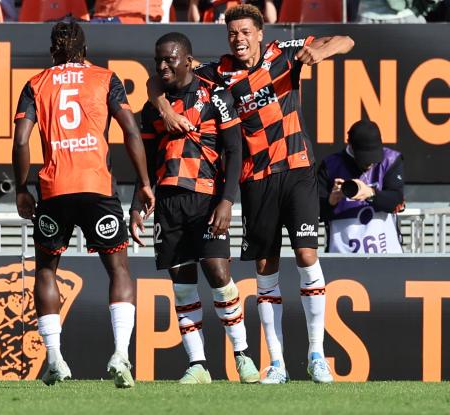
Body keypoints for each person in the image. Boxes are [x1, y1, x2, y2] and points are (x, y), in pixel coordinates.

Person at [149, 4, 354, 384]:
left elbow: (345, 39)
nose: (239, 39)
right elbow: (159, 80)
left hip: (295, 168)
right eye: (233, 33)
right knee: (265, 268)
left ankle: (316, 355)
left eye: (245, 32)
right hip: (253, 178)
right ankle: (276, 363)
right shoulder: (217, 73)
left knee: (307, 256)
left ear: (260, 33)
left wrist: (322, 51)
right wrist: (162, 107)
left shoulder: (285, 53)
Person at [12, 20, 155, 388]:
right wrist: (143, 182)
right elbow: (130, 131)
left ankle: (56, 360)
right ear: (85, 48)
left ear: (52, 51)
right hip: (97, 186)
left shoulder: (35, 84)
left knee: (46, 270)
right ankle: (121, 354)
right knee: (119, 269)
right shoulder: (105, 79)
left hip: (54, 188)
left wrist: (21, 189)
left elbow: (21, 140)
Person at [130, 32, 259, 385]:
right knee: (182, 285)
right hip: (169, 201)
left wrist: (228, 200)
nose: (162, 66)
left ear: (188, 60)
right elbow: (147, 159)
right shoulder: (152, 108)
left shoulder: (215, 96)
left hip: (206, 197)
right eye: (158, 59)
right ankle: (197, 363)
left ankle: (242, 355)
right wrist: (137, 203)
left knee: (218, 273)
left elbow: (234, 150)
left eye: (170, 59)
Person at [318, 120, 405, 253]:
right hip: (342, 255)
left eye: (373, 156)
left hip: (386, 253)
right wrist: (331, 201)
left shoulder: (390, 160)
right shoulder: (330, 166)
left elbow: (396, 200)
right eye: (364, 157)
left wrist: (371, 193)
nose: (370, 162)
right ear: (350, 145)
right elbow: (315, 210)